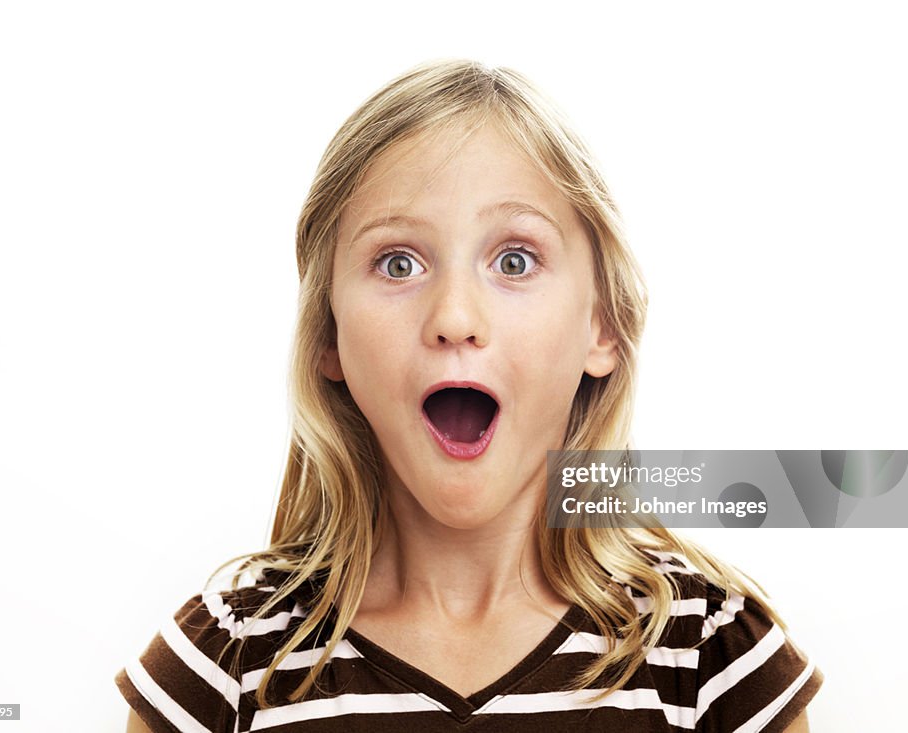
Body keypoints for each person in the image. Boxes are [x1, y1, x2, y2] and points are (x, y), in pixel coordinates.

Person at [116, 59, 822, 732]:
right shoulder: (223, 665)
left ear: (601, 326)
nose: (454, 317)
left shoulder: (713, 655)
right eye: (399, 262)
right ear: (328, 334)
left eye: (515, 260)